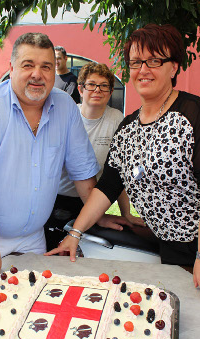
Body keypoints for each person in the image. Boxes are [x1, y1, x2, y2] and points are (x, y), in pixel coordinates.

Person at [46, 24, 200, 308]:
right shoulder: (128, 127)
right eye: (136, 62)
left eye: (155, 61)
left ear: (174, 67)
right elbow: (108, 186)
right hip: (168, 245)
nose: (144, 70)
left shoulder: (192, 114)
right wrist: (75, 233)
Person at [0, 32, 101, 293]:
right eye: (28, 65)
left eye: (46, 67)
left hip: (31, 235)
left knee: (32, 305)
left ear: (54, 72)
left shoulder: (66, 107)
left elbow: (82, 170)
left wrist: (96, 212)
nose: (37, 74)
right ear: (11, 69)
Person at [45, 62, 143, 250]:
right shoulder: (68, 115)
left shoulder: (116, 120)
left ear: (110, 91)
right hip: (60, 200)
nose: (97, 90)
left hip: (93, 200)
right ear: (80, 89)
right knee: (56, 252)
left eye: (104, 86)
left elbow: (118, 172)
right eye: (91, 84)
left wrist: (127, 214)